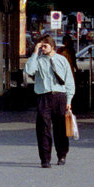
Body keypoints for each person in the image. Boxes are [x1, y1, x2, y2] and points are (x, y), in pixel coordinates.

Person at [23, 34, 76, 168]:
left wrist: (69, 100)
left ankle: (62, 154)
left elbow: (69, 80)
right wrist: (35, 53)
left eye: (45, 46)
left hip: (60, 96)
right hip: (44, 96)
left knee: (60, 127)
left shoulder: (62, 60)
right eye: (41, 46)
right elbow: (29, 70)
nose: (43, 49)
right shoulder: (39, 60)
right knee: (43, 128)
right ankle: (45, 159)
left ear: (52, 46)